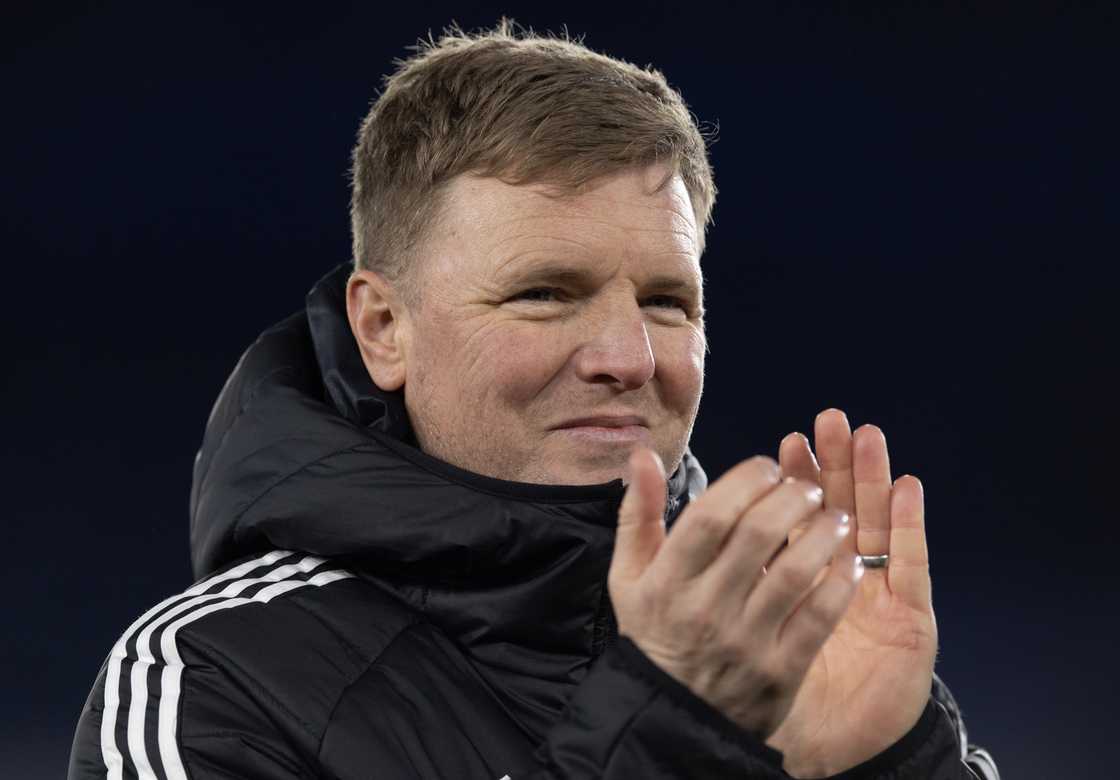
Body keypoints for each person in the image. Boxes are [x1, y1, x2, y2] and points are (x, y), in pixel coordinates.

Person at [68, 20, 999, 780]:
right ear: (383, 328)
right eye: (545, 293)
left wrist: (893, 765)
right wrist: (666, 738)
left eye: (667, 302)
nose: (629, 357)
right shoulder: (211, 680)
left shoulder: (797, 643)